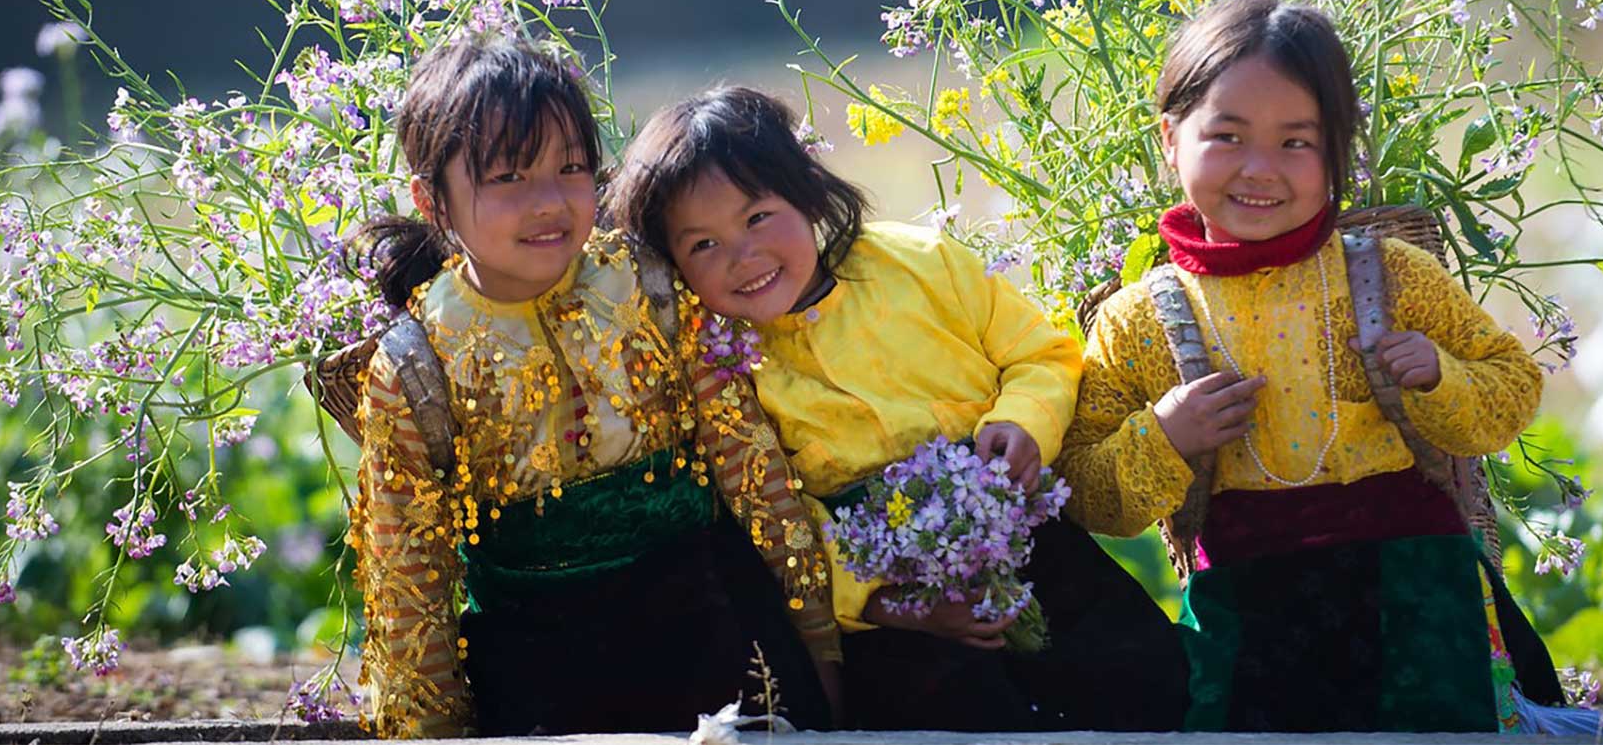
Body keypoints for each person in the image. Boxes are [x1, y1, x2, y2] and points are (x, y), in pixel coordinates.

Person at [1052, 0, 1564, 733]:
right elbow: (1088, 492)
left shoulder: (1392, 276)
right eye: (1226, 135)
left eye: (1297, 142)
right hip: (1247, 603)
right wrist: (1163, 438)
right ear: (1169, 141)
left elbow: (1513, 389)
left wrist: (1437, 376)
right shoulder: (1139, 321)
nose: (1261, 169)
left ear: (1339, 150)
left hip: (1419, 593)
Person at [608, 86, 1188, 732]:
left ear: (806, 190)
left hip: (1025, 538)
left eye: (757, 218)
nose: (744, 257)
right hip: (899, 599)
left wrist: (1021, 424)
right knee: (952, 717)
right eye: (703, 247)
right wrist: (890, 605)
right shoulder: (721, 371)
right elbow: (782, 523)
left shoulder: (920, 261)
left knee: (1143, 673)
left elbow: (1041, 354)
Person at [345, 36, 837, 738]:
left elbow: (749, 466)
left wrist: (817, 645)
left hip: (717, 626)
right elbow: (409, 586)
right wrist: (435, 735)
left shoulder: (649, 284)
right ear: (433, 200)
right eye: (509, 177)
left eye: (571, 167)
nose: (549, 201)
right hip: (541, 668)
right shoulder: (417, 364)